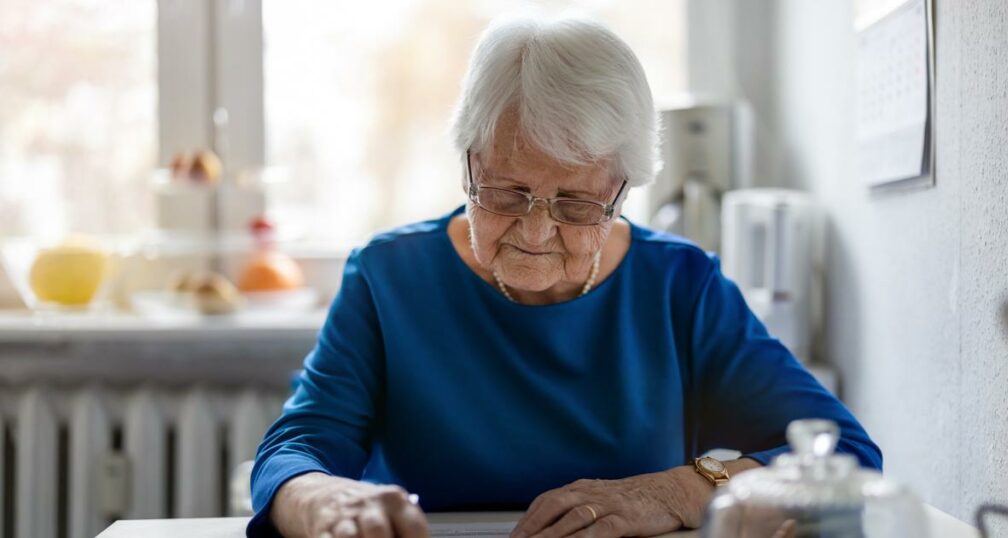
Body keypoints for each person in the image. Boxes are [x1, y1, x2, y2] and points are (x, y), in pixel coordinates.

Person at [248, 14, 881, 538]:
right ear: (469, 163)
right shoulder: (389, 277)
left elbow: (846, 455)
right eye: (504, 192)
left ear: (621, 191)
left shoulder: (678, 284)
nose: (534, 231)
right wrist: (326, 502)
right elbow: (297, 447)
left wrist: (682, 490)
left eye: (576, 204)